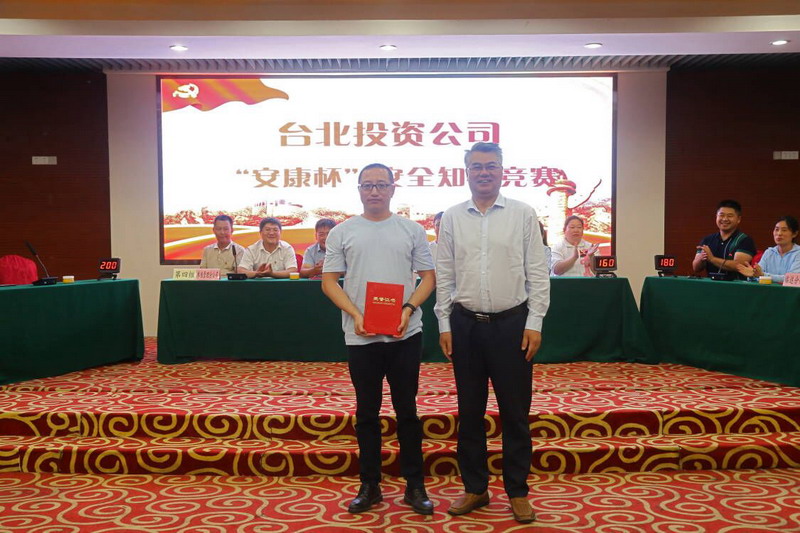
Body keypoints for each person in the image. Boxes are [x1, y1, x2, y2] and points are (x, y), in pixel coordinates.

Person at [434, 142, 550, 524]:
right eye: (477, 166)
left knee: (515, 413)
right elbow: (445, 275)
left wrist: (534, 322)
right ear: (466, 172)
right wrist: (444, 323)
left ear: (502, 171)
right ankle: (475, 488)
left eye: (491, 166)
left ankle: (517, 491)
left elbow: (538, 272)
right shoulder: (452, 217)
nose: (484, 172)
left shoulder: (522, 213)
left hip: (512, 326)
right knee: (470, 412)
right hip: (465, 326)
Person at [321, 163, 436, 516]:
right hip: (361, 337)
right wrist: (355, 315)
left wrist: (408, 308)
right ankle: (369, 485)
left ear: (392, 189)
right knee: (367, 413)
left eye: (381, 185)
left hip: (405, 334)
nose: (374, 191)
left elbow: (428, 278)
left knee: (407, 412)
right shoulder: (342, 232)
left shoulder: (411, 230)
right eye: (368, 185)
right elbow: (329, 281)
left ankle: (415, 486)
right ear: (359, 189)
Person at [692, 200, 756, 280]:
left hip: (736, 286)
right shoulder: (707, 240)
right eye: (721, 215)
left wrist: (712, 259)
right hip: (711, 284)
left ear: (738, 219)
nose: (725, 219)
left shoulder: (745, 240)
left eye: (730, 216)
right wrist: (702, 257)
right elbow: (696, 268)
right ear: (716, 217)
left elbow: (739, 266)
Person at [736, 215, 800, 283]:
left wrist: (762, 275)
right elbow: (758, 274)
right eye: (776, 229)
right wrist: (753, 275)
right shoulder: (769, 252)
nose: (779, 233)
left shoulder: (798, 253)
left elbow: (792, 279)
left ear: (794, 234)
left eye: (784, 230)